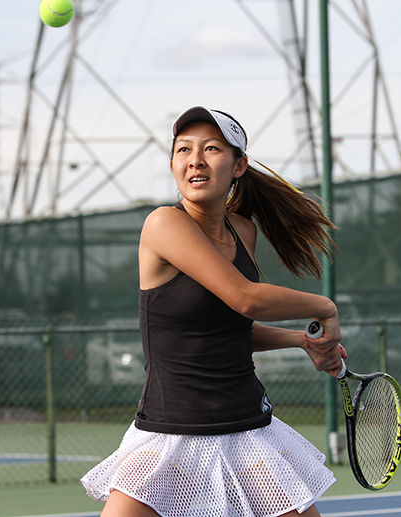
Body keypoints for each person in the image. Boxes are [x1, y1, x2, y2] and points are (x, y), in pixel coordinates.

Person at [81, 106, 346, 517]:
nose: (195, 160)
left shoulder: (243, 231)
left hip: (247, 429)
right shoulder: (163, 224)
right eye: (183, 150)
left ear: (239, 165)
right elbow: (246, 298)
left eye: (211, 149)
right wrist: (324, 307)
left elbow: (231, 325)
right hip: (169, 431)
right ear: (173, 165)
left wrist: (300, 340)